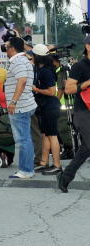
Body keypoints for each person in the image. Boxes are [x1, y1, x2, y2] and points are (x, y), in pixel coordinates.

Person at [57, 36, 90, 192]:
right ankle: (66, 176)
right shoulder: (79, 67)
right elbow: (69, 89)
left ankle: (65, 176)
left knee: (86, 148)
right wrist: (87, 83)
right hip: (82, 110)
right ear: (88, 46)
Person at [4, 37, 37, 179]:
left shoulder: (18, 61)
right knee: (26, 138)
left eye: (6, 47)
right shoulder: (24, 60)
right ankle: (27, 168)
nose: (5, 50)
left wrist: (13, 102)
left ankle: (26, 170)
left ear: (12, 48)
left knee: (23, 140)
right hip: (25, 104)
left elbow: (22, 81)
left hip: (20, 106)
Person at [31, 44, 61, 175]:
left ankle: (57, 164)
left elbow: (51, 91)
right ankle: (44, 162)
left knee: (52, 136)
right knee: (45, 135)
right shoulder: (41, 69)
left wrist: (36, 89)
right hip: (44, 107)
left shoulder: (46, 71)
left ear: (38, 57)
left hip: (50, 106)